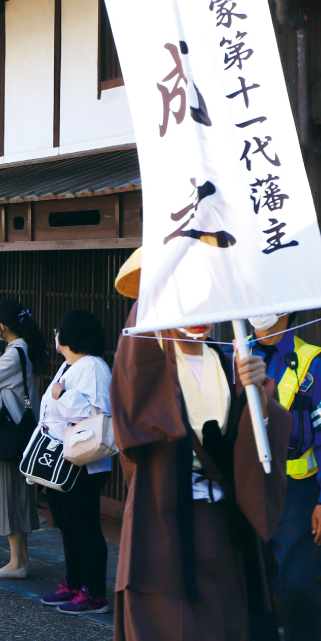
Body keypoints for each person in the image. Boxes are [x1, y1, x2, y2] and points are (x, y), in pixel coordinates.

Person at [110, 252, 290, 641]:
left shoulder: (227, 364)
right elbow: (135, 416)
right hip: (164, 518)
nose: (200, 311)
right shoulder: (149, 363)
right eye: (186, 297)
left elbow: (253, 446)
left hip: (221, 521)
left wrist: (257, 394)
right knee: (170, 624)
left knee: (225, 621)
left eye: (208, 298)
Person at [246, 312, 321, 641]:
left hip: (297, 493)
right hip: (246, 486)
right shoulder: (231, 356)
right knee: (251, 588)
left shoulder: (313, 362)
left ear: (286, 309)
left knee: (298, 588)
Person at [38, 310, 113, 615]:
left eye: (60, 330)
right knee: (68, 526)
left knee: (84, 528)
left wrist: (62, 394)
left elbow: (96, 413)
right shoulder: (71, 366)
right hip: (61, 458)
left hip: (84, 461)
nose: (56, 335)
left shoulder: (93, 366)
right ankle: (75, 584)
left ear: (70, 335)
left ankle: (95, 593)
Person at [0, 301, 47, 580]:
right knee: (17, 496)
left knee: (7, 495)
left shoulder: (13, 353)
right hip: (21, 433)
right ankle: (21, 560)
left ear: (1, 326)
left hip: (8, 435)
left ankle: (16, 563)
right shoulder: (25, 349)